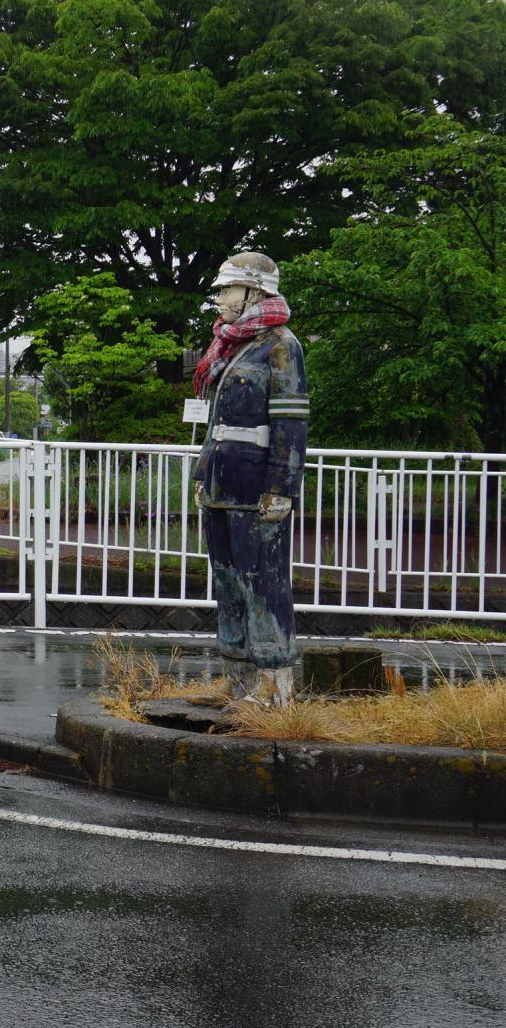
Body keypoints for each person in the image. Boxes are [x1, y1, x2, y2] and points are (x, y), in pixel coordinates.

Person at [192, 252, 309, 705]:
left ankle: (275, 688)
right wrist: (204, 474)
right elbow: (215, 425)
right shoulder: (230, 346)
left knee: (264, 583)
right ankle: (237, 681)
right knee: (227, 583)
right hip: (221, 484)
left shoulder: (281, 345)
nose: (220, 298)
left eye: (227, 289)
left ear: (254, 291)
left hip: (259, 487)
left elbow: (291, 424)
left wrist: (282, 488)